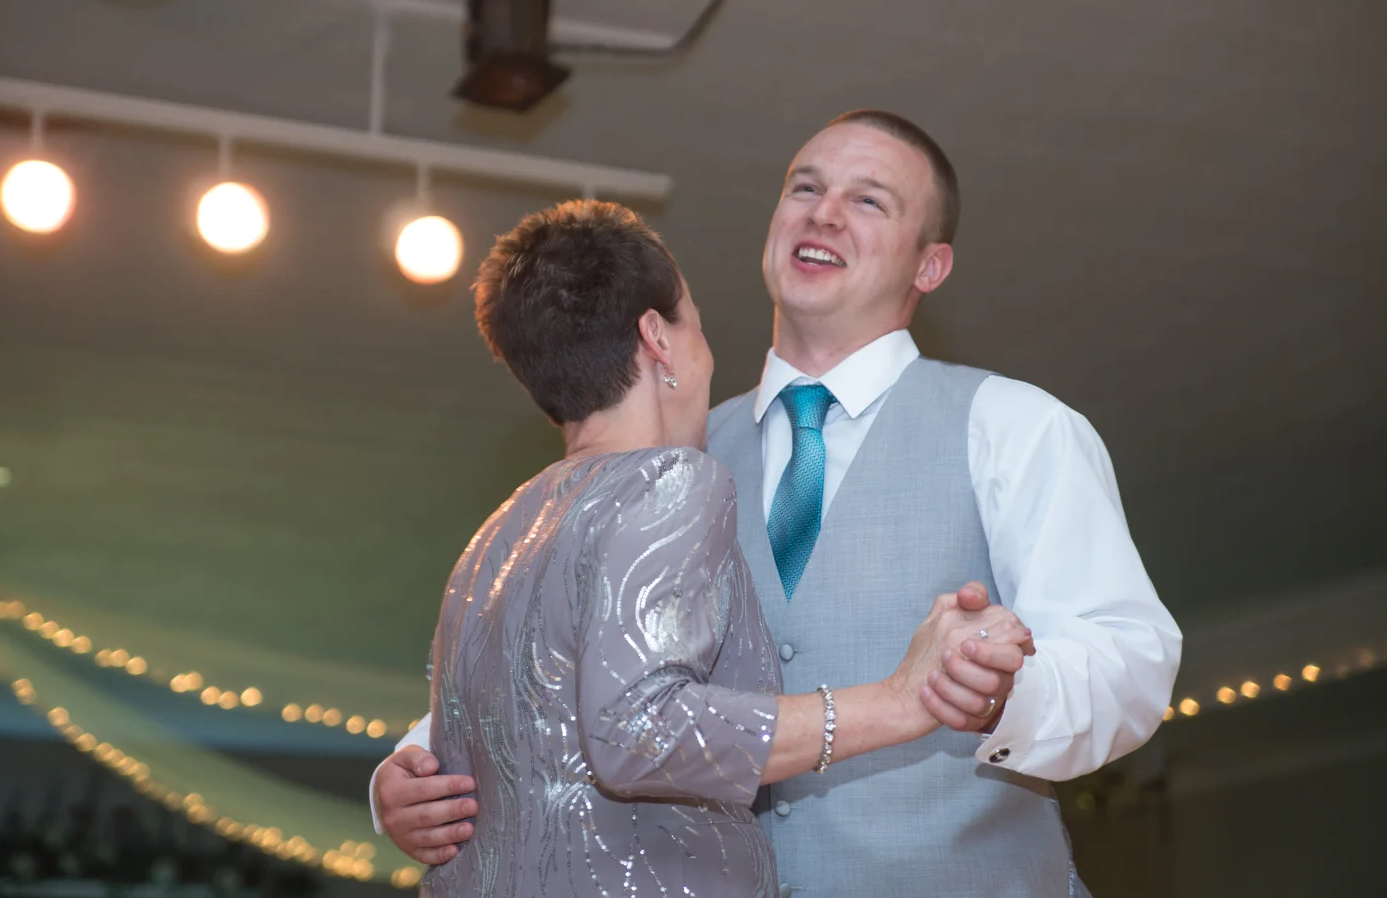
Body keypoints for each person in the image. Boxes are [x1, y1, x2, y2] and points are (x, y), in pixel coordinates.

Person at [377, 114, 1183, 896]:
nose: (824, 212)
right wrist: (411, 772)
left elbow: (1129, 658)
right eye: (805, 187)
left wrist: (1008, 694)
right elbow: (562, 657)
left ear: (930, 266)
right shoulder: (664, 460)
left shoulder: (1013, 425)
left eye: (868, 200)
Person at [407, 199, 1033, 896]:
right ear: (658, 339)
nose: (707, 355)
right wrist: (900, 699)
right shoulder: (669, 480)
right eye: (696, 327)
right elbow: (638, 730)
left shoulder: (495, 537)